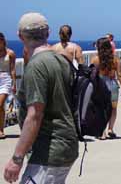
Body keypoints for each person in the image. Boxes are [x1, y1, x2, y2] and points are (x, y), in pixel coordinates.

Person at [3, 13, 78, 183]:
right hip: (65, 144)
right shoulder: (61, 60)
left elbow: (35, 115)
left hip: (49, 150)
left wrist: (17, 159)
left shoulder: (37, 66)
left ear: (20, 36)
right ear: (48, 33)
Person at [92, 37, 121, 140]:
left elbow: (93, 74)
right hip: (112, 84)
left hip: (100, 84)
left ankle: (102, 132)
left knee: (100, 109)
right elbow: (120, 75)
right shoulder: (115, 59)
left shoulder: (95, 59)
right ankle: (110, 129)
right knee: (113, 108)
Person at [0, 33, 16, 140]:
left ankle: (1, 130)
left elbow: (13, 69)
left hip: (5, 79)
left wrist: (14, 84)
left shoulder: (10, 53)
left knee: (0, 104)